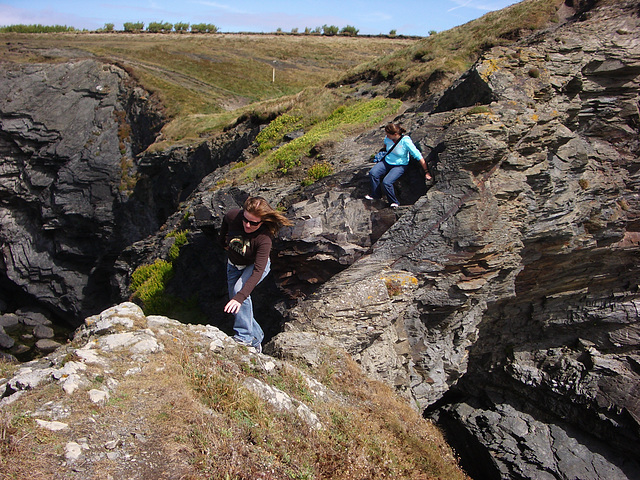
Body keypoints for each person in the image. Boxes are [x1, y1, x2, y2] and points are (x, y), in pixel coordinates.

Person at [219, 196, 292, 353]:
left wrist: (241, 296)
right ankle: (256, 338)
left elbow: (259, 271)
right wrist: (222, 240)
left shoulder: (264, 239)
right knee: (239, 305)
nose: (247, 225)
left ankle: (244, 337)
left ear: (262, 222)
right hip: (233, 265)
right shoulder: (234, 216)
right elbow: (225, 220)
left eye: (254, 223)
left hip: (255, 267)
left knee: (239, 293)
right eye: (246, 220)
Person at [365, 123, 431, 208]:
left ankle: (394, 202)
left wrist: (426, 171)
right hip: (387, 161)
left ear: (395, 134)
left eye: (388, 135)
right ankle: (376, 195)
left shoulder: (405, 141)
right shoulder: (387, 138)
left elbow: (418, 156)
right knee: (373, 173)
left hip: (400, 165)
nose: (386, 137)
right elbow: (385, 146)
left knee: (387, 182)